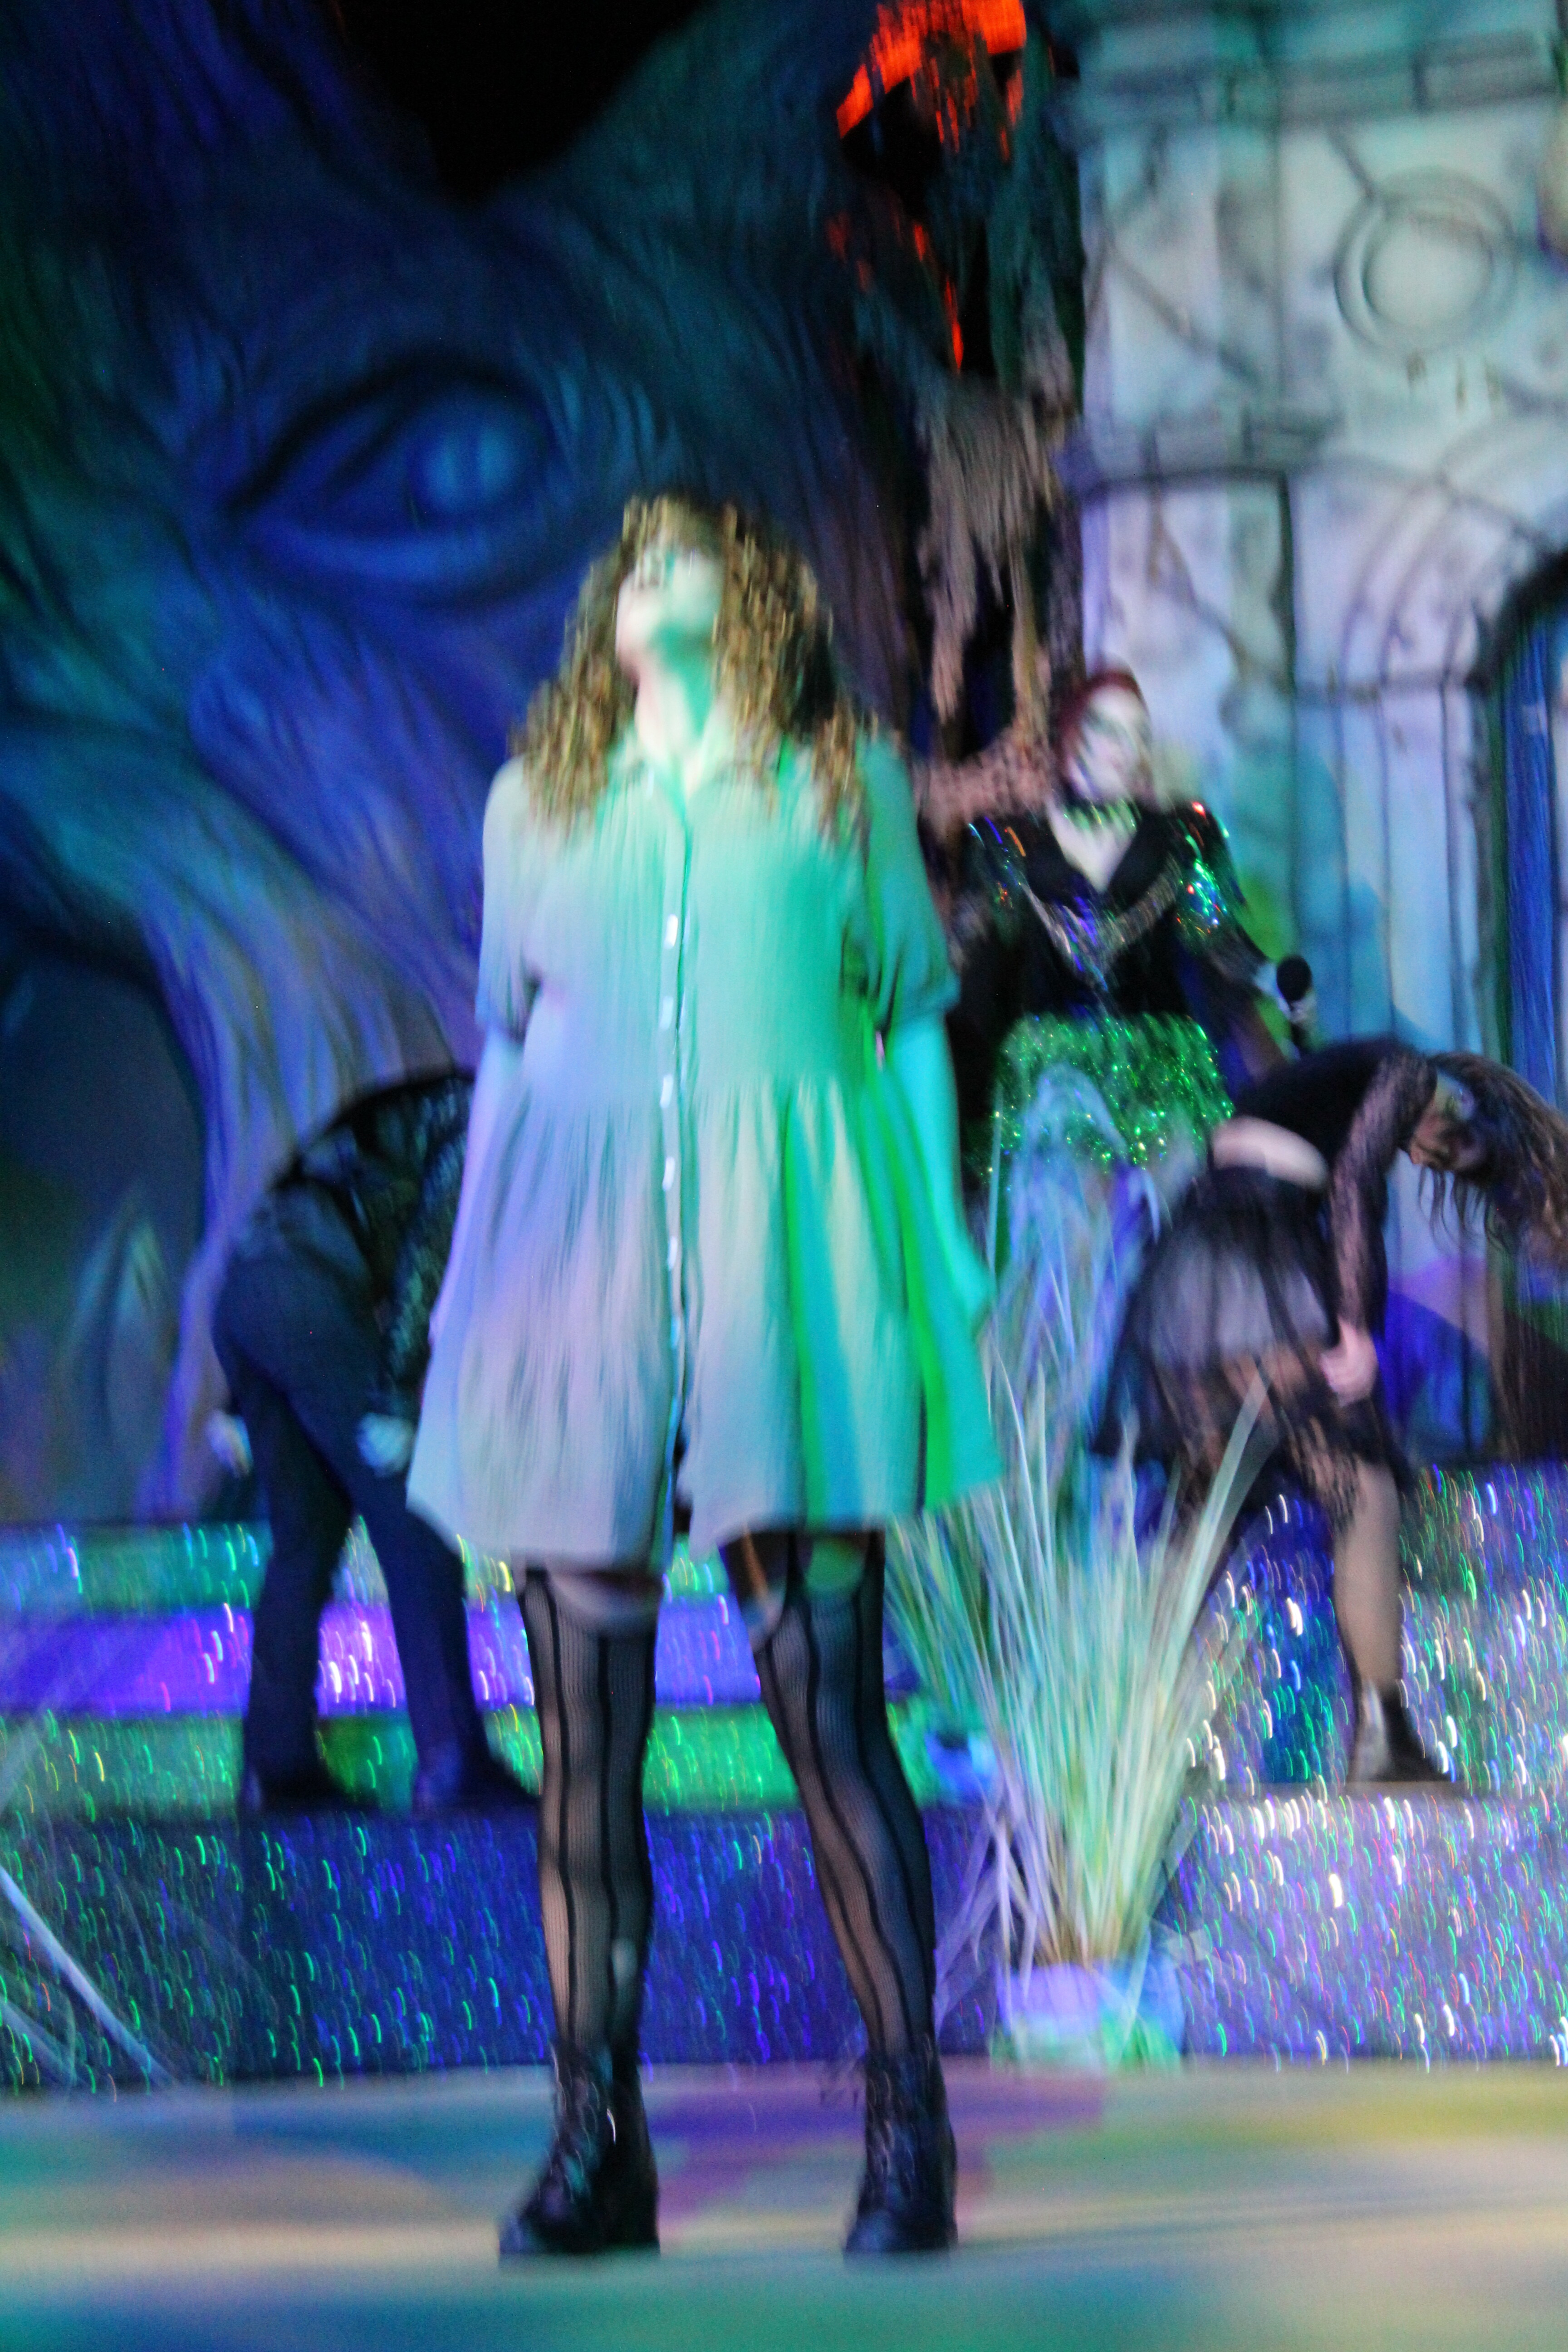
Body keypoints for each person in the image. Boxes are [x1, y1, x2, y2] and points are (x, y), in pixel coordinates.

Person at [407, 493, 998, 2259]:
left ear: (752, 594)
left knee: (830, 1715)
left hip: (781, 1280)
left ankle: (908, 2132)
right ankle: (597, 2142)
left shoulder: (837, 783)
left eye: (689, 548)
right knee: (584, 1758)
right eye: (635, 550)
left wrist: (941, 1245)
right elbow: (508, 1053)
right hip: (574, 1283)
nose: (650, 563)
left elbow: (908, 1017)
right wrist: (467, 1287)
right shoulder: (536, 803)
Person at [1099, 1036, 1568, 1784]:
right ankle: (1384, 1745)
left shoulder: (1331, 1082)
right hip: (1255, 1257)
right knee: (1363, 1489)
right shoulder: (1411, 1074)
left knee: (1207, 1503)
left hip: (1190, 1260)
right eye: (1450, 1150)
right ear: (1458, 1104)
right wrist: (1353, 1325)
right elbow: (1355, 1184)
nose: (1429, 1162)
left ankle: (1120, 1745)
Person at [211, 1072, 534, 1817]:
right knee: (416, 1527)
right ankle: (452, 1760)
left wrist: (237, 1399)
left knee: (307, 1535)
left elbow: (297, 1199)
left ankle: (275, 1765)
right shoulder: (482, 1112)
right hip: (305, 1292)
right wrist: (395, 1396)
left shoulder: (417, 1108)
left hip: (247, 1295)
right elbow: (430, 1245)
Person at [945, 667, 1304, 1142]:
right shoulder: (1009, 846)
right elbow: (966, 959)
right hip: (1052, 1089)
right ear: (1072, 735)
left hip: (1159, 1083)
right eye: (1109, 730)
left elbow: (1219, 942)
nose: (1127, 748)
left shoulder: (1179, 839)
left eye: (1139, 734)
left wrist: (1276, 981)